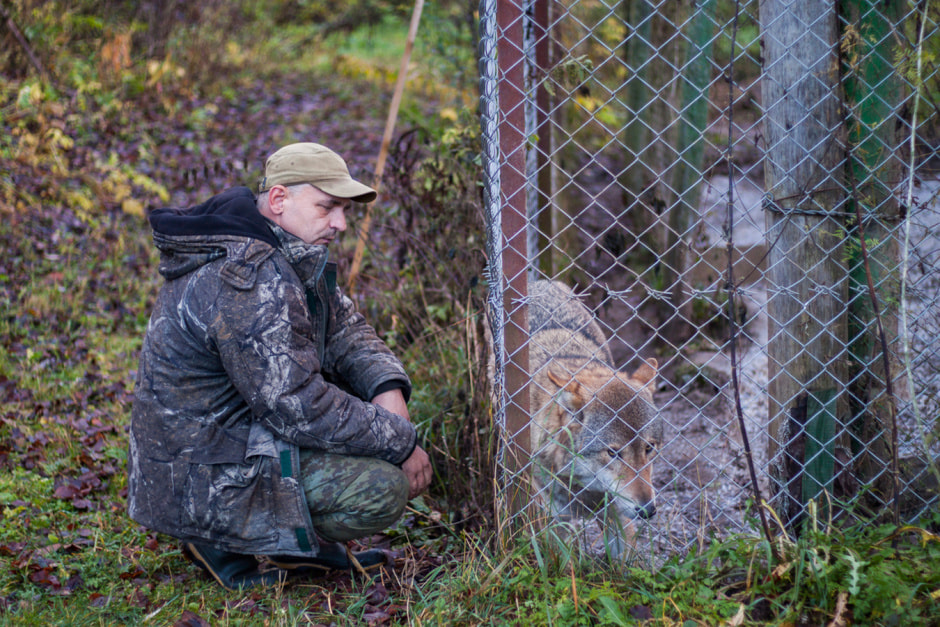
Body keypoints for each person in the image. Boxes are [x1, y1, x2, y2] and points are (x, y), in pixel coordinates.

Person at [127, 142, 432, 590]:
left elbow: (346, 329)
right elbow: (300, 406)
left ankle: (293, 542)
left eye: (343, 210)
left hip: (231, 440)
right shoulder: (248, 276)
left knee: (367, 425)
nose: (340, 223)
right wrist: (400, 442)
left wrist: (387, 387)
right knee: (382, 490)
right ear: (279, 200)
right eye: (327, 207)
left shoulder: (285, 250)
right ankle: (220, 541)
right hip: (198, 474)